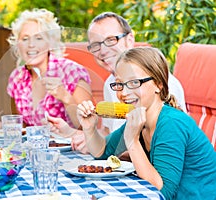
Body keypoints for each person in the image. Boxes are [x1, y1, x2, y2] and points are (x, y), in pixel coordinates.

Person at [76, 47, 216, 200]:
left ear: (158, 84)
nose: (123, 93)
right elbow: (102, 153)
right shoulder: (140, 118)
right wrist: (89, 128)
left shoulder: (171, 123)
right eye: (119, 84)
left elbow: (162, 192)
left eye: (134, 82)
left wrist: (132, 141)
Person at [48, 12, 186, 154]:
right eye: (96, 45)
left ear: (129, 39)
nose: (103, 51)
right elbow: (109, 133)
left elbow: (166, 149)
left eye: (111, 40)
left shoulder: (159, 84)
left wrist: (105, 149)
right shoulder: (111, 83)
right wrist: (72, 133)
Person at [6, 8, 92, 128]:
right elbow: (24, 128)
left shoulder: (72, 71)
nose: (31, 44)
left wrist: (65, 97)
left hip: (71, 145)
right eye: (25, 39)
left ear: (51, 42)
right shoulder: (17, 78)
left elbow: (88, 127)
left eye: (39, 38)